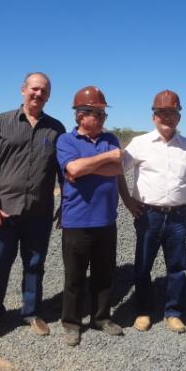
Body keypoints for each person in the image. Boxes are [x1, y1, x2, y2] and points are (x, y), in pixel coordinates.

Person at [0, 72, 66, 339]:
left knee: (35, 265)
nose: (38, 94)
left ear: (48, 96)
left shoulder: (56, 129)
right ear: (23, 90)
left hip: (39, 213)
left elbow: (64, 172)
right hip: (4, 212)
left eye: (44, 91)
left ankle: (31, 312)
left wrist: (65, 204)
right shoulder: (0, 123)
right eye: (34, 89)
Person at [118, 90, 186, 333]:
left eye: (172, 112)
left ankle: (173, 312)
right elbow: (117, 172)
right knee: (143, 265)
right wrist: (127, 200)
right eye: (162, 112)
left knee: (176, 266)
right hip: (147, 215)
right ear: (154, 116)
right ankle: (143, 311)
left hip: (177, 216)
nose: (167, 117)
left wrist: (178, 196)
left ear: (179, 116)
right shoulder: (139, 143)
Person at [56, 86, 124, 346]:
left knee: (104, 274)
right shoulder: (66, 141)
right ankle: (71, 323)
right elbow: (72, 168)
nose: (103, 118)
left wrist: (87, 167)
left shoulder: (112, 139)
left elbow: (118, 169)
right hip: (76, 220)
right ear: (81, 115)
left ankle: (101, 317)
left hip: (106, 219)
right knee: (74, 276)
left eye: (103, 114)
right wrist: (104, 158)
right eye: (98, 113)